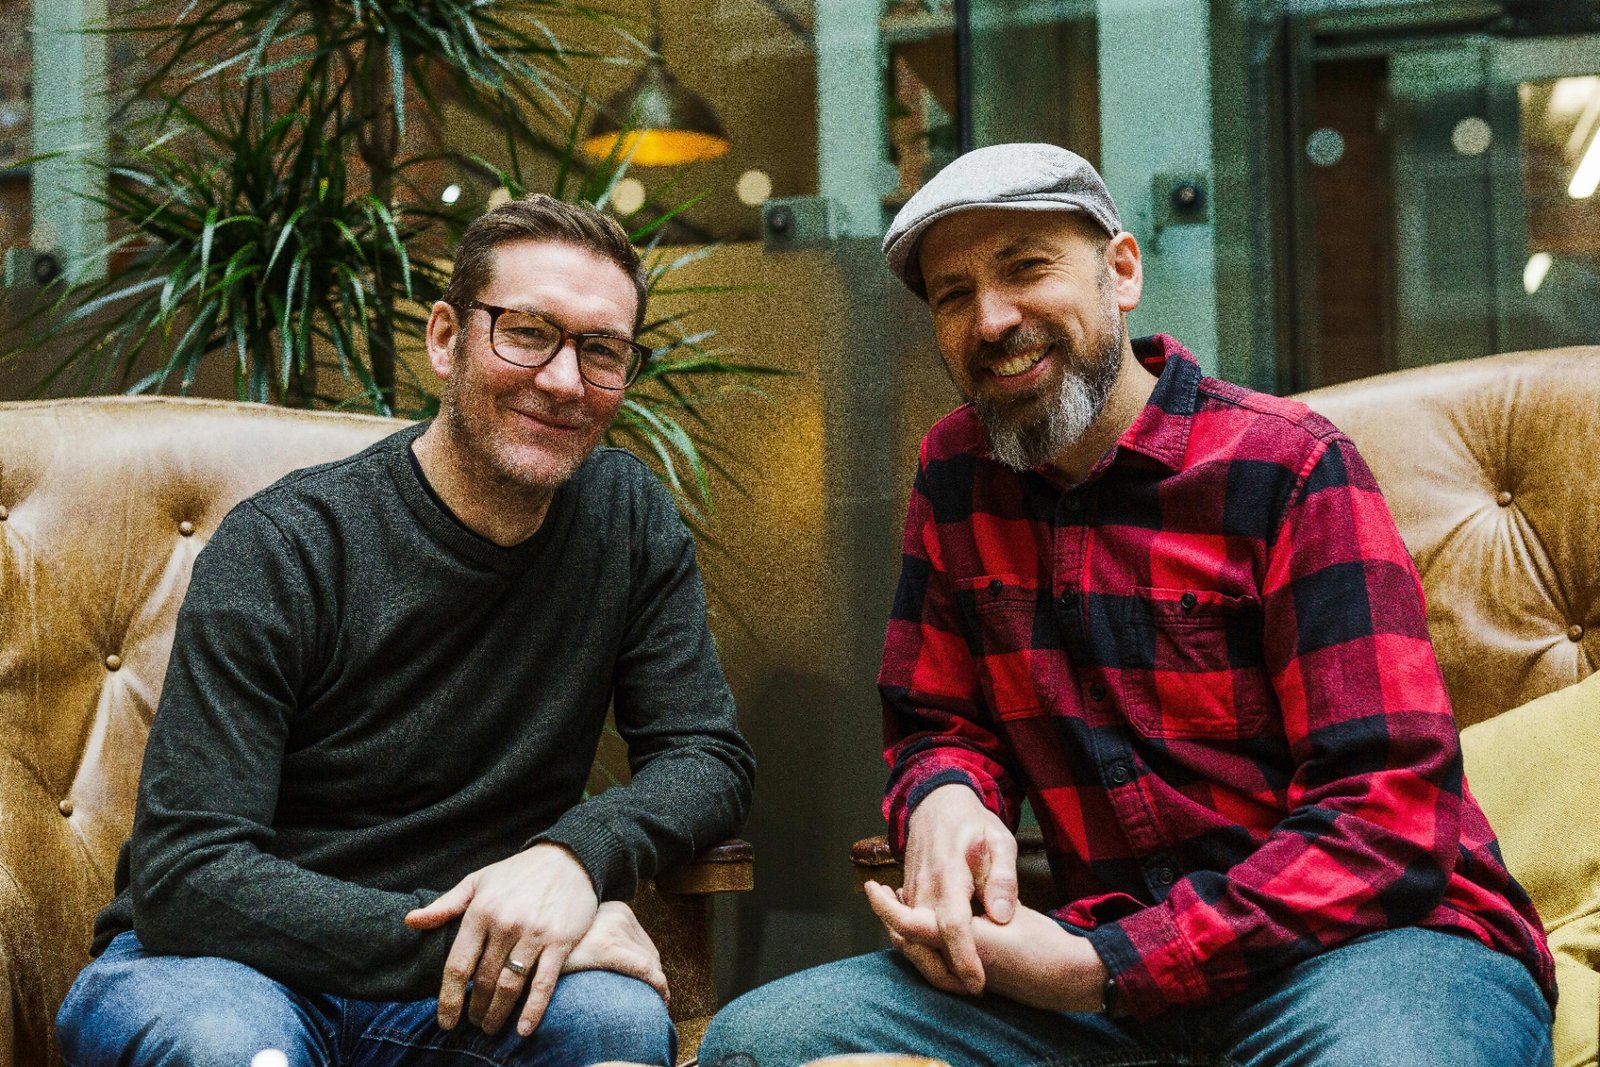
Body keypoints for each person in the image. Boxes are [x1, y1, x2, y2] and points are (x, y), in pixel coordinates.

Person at [700, 143, 1555, 1067]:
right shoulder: (957, 475)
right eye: (953, 295)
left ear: (1122, 271)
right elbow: (936, 721)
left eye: (1027, 268)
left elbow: (1385, 810)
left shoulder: (1292, 466)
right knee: (758, 1043)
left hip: (1370, 949)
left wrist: (1101, 966)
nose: (991, 320)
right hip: (1107, 978)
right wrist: (947, 796)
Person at [56, 195, 756, 1067]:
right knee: (228, 1048)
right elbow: (186, 877)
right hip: (224, 969)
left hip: (455, 998)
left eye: (601, 351)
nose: (566, 380)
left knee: (613, 1025)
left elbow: (707, 757)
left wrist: (574, 860)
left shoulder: (627, 519)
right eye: (528, 332)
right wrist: (487, 932)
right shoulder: (285, 545)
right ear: (443, 340)